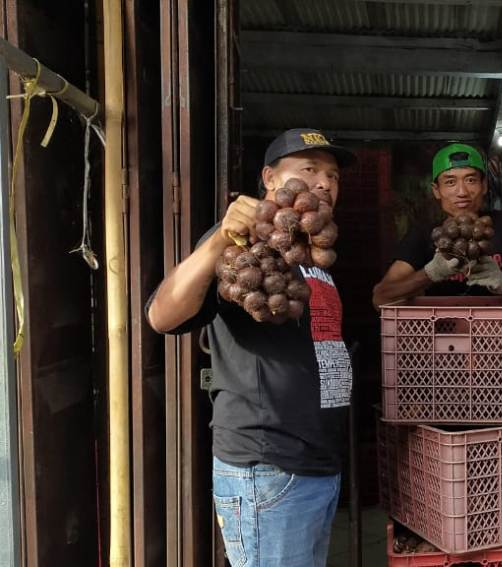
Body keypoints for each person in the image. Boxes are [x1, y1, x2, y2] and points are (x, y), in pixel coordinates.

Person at [147, 128, 355, 567]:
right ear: (270, 178)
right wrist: (220, 239)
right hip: (268, 465)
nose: (324, 183)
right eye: (309, 169)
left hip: (316, 465)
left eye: (333, 175)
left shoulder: (311, 251)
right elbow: (162, 316)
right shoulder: (240, 243)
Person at [372, 143, 502, 306]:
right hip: (441, 327)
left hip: (500, 327)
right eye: (450, 182)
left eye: (471, 180)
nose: (462, 192)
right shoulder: (423, 234)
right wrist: (430, 273)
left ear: (484, 185)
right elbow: (380, 298)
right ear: (436, 190)